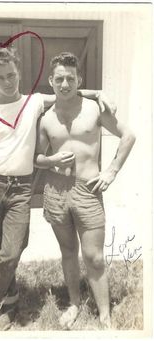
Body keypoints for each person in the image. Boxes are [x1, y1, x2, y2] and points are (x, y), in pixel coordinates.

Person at [0, 47, 116, 329]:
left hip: (20, 189)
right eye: (0, 77)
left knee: (13, 248)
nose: (7, 81)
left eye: (11, 75)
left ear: (18, 73)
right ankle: (9, 303)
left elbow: (68, 90)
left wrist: (99, 93)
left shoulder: (33, 103)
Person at [35, 52, 136, 330]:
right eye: (59, 78)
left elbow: (128, 136)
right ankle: (75, 303)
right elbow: (37, 157)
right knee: (68, 251)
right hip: (56, 191)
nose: (65, 83)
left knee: (94, 256)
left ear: (79, 79)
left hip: (87, 191)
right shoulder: (45, 118)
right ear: (50, 81)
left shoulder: (95, 108)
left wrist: (112, 171)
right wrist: (50, 160)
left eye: (70, 78)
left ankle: (105, 315)